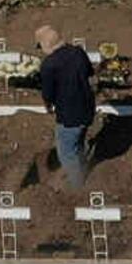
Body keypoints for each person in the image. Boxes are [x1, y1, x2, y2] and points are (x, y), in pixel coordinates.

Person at [36, 25, 96, 190]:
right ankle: (84, 171)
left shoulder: (49, 65)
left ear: (46, 45)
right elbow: (90, 75)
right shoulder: (78, 52)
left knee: (67, 152)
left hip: (69, 114)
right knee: (79, 143)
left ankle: (78, 187)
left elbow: (48, 94)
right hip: (87, 108)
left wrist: (48, 107)